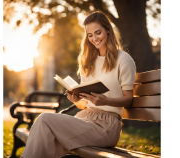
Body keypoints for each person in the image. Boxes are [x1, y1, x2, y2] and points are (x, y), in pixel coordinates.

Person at [20, 11, 136, 158]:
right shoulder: (89, 61)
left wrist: (106, 101)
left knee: (44, 119)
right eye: (90, 35)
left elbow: (129, 100)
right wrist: (77, 100)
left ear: (108, 29)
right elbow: (85, 104)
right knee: (46, 132)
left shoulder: (123, 60)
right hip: (85, 118)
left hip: (106, 127)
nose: (94, 38)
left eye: (98, 32)